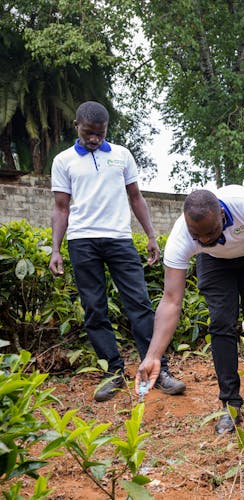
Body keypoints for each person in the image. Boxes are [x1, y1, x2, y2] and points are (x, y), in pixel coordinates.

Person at [49, 101, 186, 402]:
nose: (95, 139)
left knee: (139, 303)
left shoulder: (122, 155)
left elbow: (136, 197)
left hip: (120, 239)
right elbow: (61, 208)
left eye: (100, 133)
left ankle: (157, 368)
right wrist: (55, 249)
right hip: (82, 241)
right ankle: (113, 371)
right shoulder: (63, 160)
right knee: (94, 308)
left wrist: (150, 235)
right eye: (89, 133)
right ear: (77, 127)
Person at [135, 186, 244, 435]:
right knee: (221, 324)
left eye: (211, 231)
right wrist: (153, 355)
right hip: (213, 263)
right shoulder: (181, 238)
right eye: (198, 235)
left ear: (222, 217)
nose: (204, 239)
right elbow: (171, 300)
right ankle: (230, 406)